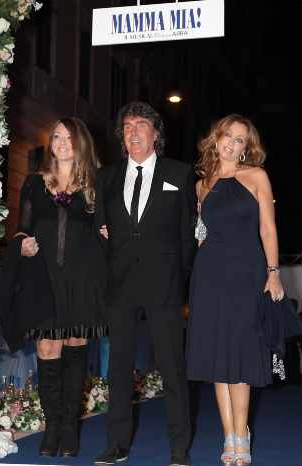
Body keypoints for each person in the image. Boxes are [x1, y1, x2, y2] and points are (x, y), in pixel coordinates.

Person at [93, 102, 196, 466]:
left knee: (172, 368)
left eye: (140, 125)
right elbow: (100, 229)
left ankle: (179, 447)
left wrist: (180, 278)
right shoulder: (106, 177)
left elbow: (187, 234)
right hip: (120, 285)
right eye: (126, 127)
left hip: (163, 284)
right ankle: (116, 444)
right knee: (118, 368)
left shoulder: (179, 173)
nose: (132, 132)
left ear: (155, 134)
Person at [185, 114, 285, 466]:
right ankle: (229, 436)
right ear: (216, 138)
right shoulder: (201, 184)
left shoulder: (257, 176)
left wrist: (273, 273)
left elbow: (268, 229)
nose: (231, 142)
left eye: (239, 139)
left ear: (246, 147)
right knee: (217, 357)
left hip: (247, 272)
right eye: (227, 135)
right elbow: (201, 235)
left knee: (240, 353)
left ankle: (242, 434)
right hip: (209, 273)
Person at [14, 117, 108, 457]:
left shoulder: (97, 183)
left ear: (81, 142)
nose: (62, 142)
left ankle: (69, 427)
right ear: (50, 143)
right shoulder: (34, 183)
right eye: (56, 136)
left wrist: (109, 234)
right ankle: (51, 425)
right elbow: (22, 228)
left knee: (74, 344)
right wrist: (23, 243)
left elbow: (106, 228)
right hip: (44, 278)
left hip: (82, 279)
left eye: (69, 137)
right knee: (47, 348)